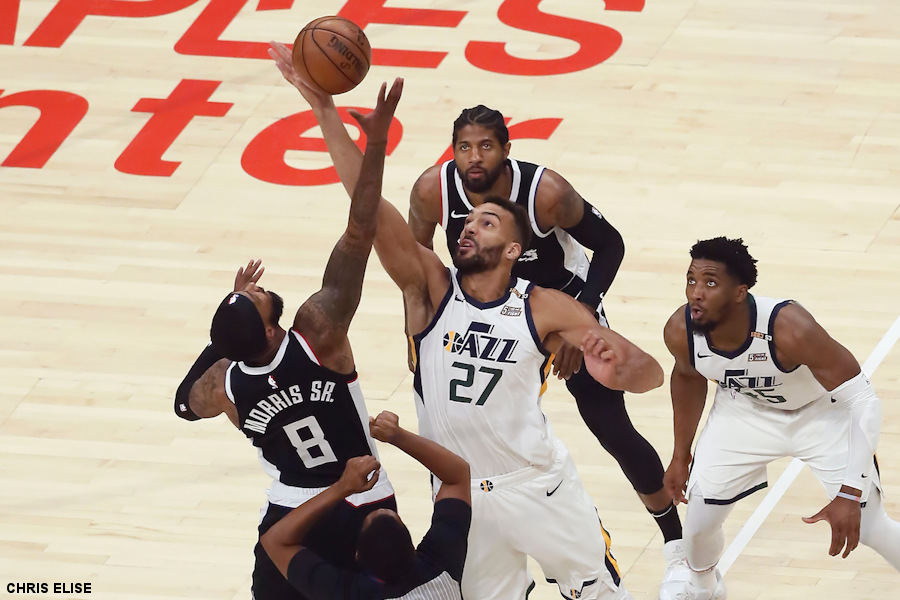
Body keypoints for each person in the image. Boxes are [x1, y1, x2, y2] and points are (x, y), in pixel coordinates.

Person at [269, 41, 685, 598]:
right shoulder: (428, 289)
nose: (468, 225)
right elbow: (367, 210)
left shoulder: (544, 304)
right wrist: (326, 110)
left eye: (487, 222)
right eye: (468, 222)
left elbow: (649, 375)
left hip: (538, 486)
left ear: (514, 249)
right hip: (461, 496)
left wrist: (617, 360)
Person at [173, 79, 404, 600]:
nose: (256, 289)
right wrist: (375, 143)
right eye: (254, 298)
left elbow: (184, 405)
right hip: (364, 498)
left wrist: (224, 344)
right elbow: (360, 229)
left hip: (292, 512)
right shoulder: (318, 333)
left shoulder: (224, 384)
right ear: (272, 327)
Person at [662, 236, 900, 600]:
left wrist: (851, 491)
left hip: (821, 414)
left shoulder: (789, 328)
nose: (696, 293)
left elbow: (865, 401)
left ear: (739, 293)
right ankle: (703, 589)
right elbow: (687, 377)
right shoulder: (681, 331)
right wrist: (680, 455)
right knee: (697, 524)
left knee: (870, 526)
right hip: (744, 412)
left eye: (710, 283)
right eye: (691, 280)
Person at [261, 410, 472, 599]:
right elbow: (458, 475)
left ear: (357, 556)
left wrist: (342, 487)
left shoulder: (348, 592)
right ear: (413, 548)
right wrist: (398, 436)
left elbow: (275, 540)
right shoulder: (439, 567)